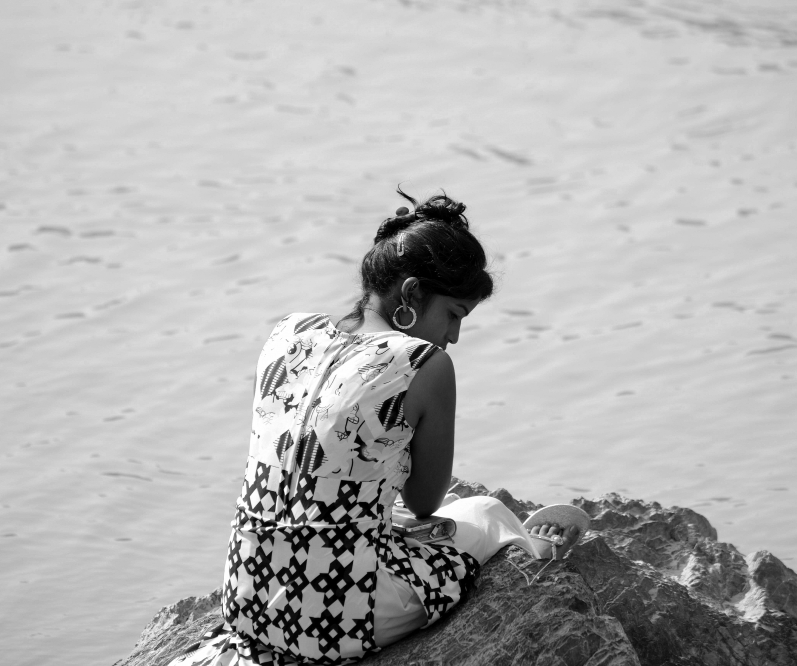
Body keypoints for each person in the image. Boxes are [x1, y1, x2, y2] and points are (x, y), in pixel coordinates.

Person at [169, 190, 588, 666]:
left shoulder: (290, 331)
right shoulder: (424, 363)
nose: (453, 336)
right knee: (484, 512)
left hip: (245, 599)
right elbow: (424, 502)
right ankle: (533, 545)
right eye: (453, 315)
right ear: (411, 294)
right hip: (333, 621)